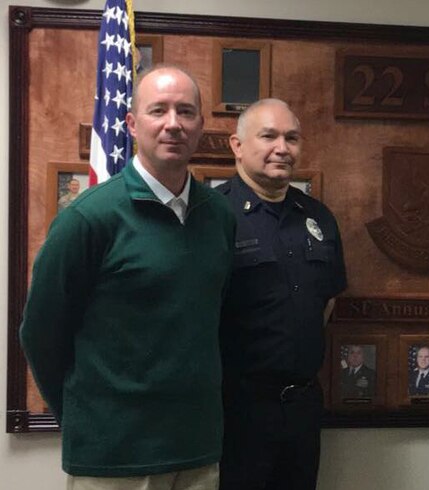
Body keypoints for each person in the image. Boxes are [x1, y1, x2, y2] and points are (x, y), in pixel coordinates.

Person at [20, 65, 236, 487]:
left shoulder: (219, 216)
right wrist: (87, 418)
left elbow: (213, 317)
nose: (173, 124)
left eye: (186, 112)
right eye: (159, 111)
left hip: (197, 450)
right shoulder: (89, 218)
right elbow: (40, 334)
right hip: (113, 456)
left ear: (200, 126)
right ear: (133, 125)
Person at [217, 98, 347, 490]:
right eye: (268, 136)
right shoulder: (214, 216)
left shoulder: (317, 217)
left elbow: (326, 300)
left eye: (291, 138)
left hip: (302, 408)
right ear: (237, 146)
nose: (282, 148)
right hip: (236, 410)